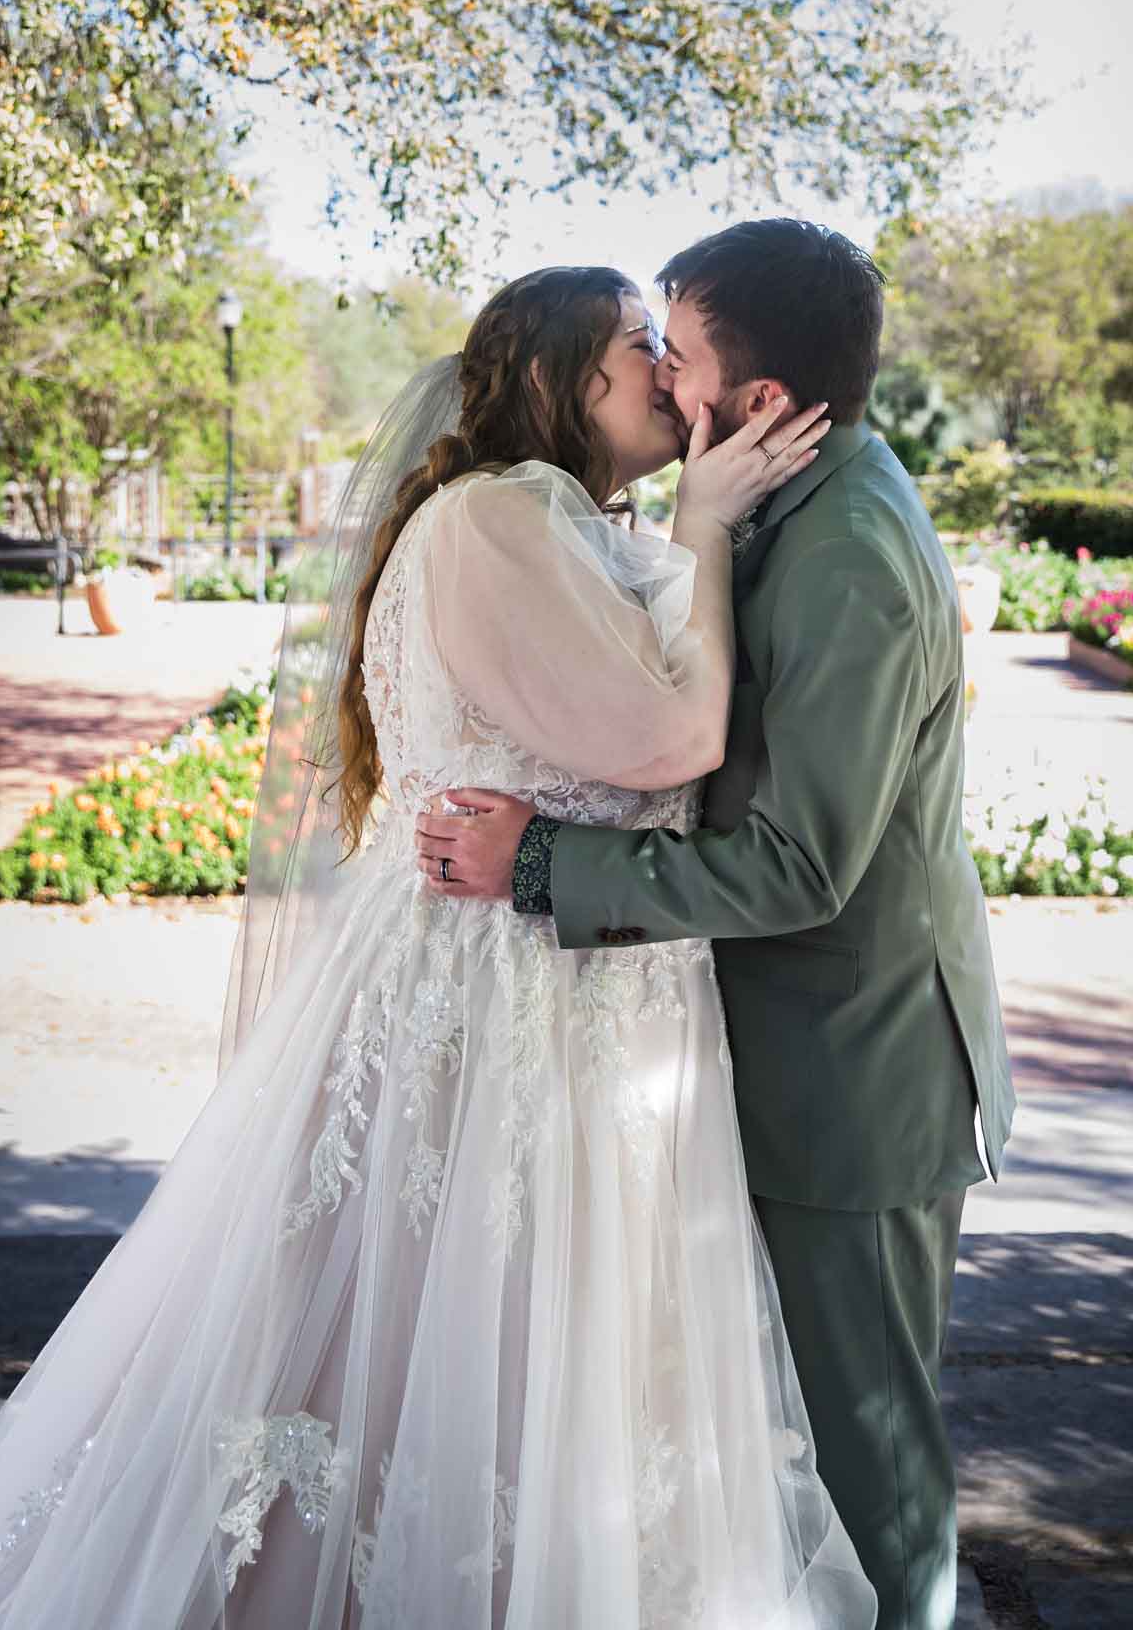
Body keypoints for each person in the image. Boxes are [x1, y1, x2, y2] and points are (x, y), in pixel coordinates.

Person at [0, 265, 877, 1630]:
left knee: (545, 1363)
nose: (666, 378)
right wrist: (710, 529)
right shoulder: (502, 516)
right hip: (489, 994)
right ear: (563, 378)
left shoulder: (568, 522)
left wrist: (690, 530)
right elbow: (670, 740)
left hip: (580, 995)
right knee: (425, 1341)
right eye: (637, 348)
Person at [417, 221, 1018, 1630]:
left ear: (753, 401)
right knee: (789, 1439)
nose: (659, 379)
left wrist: (545, 863)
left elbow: (799, 868)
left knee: (871, 1456)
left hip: (851, 1072)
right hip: (773, 1051)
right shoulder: (786, 511)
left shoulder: (848, 553)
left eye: (674, 358)